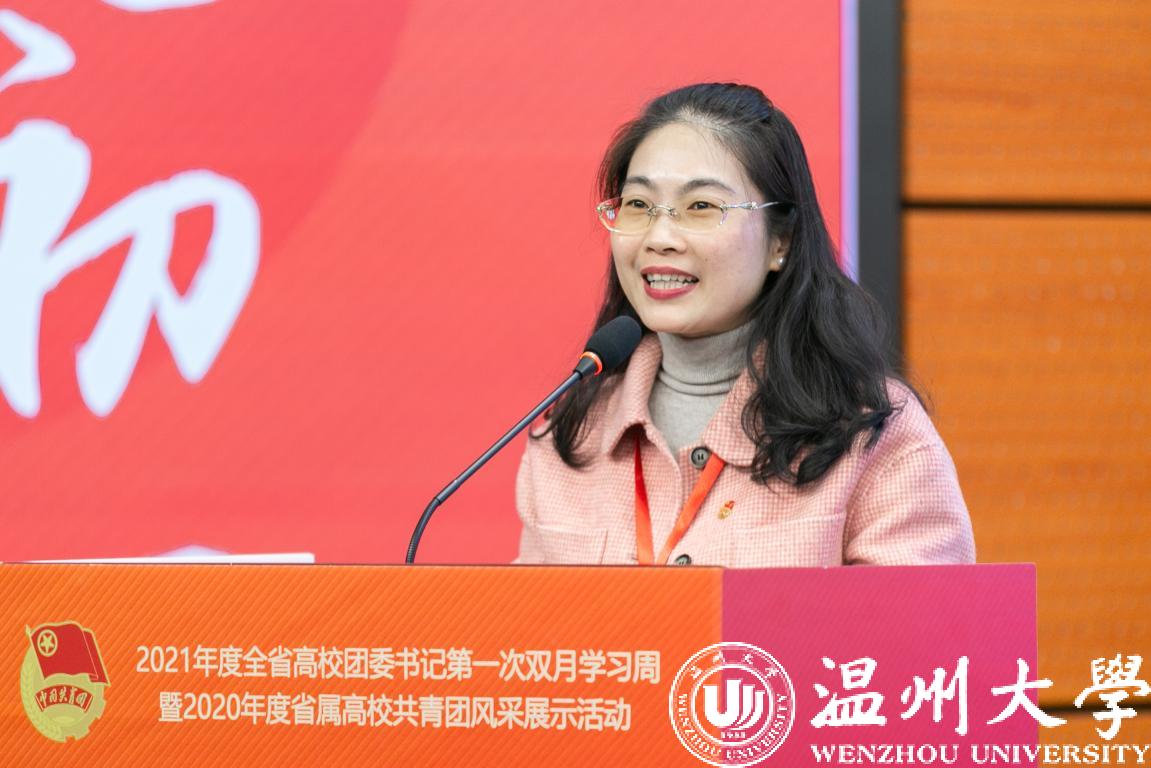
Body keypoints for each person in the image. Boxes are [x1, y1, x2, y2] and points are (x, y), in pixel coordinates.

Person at [514, 83, 974, 567]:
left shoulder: (875, 436)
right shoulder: (570, 438)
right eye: (639, 206)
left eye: (701, 207)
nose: (659, 236)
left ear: (781, 241)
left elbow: (923, 618)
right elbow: (530, 618)